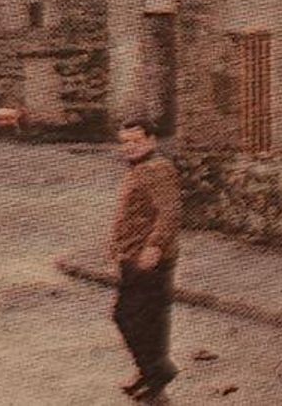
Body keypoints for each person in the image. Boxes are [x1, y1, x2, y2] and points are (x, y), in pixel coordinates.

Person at [110, 119, 181, 400]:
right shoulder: (140, 168)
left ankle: (157, 372)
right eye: (125, 142)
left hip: (149, 258)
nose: (129, 147)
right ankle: (149, 371)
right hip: (133, 256)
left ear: (152, 141)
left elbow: (170, 212)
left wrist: (155, 246)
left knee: (130, 316)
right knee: (143, 317)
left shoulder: (157, 169)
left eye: (136, 141)